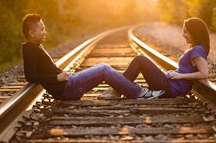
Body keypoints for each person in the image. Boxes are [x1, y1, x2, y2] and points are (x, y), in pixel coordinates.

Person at [21, 14, 164, 100]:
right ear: (31, 33)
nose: (45, 32)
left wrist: (61, 75)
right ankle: (139, 93)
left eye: (44, 28)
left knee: (102, 68)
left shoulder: (34, 47)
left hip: (68, 84)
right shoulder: (29, 49)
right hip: (66, 89)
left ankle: (125, 91)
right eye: (41, 29)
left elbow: (41, 71)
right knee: (103, 69)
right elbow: (30, 76)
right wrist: (56, 78)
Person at [99, 17, 210, 99]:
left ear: (194, 32)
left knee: (140, 60)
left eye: (185, 31)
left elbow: (204, 73)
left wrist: (180, 75)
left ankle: (116, 90)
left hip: (170, 88)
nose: (183, 35)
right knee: (140, 60)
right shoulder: (196, 49)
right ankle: (117, 90)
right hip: (168, 84)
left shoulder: (197, 50)